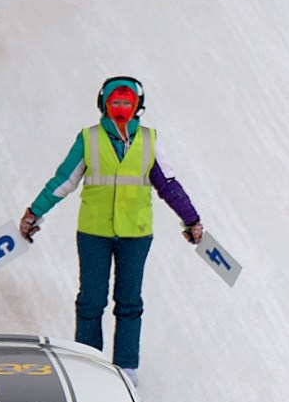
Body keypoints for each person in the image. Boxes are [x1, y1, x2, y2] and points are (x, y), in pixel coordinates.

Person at [18, 77, 204, 373]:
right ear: (103, 105)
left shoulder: (148, 140)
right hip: (94, 233)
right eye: (115, 103)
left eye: (126, 103)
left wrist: (191, 219)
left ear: (137, 107)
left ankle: (126, 369)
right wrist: (34, 212)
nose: (120, 109)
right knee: (91, 301)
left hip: (136, 233)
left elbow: (168, 184)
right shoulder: (89, 139)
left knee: (129, 302)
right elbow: (63, 181)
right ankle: (88, 366)